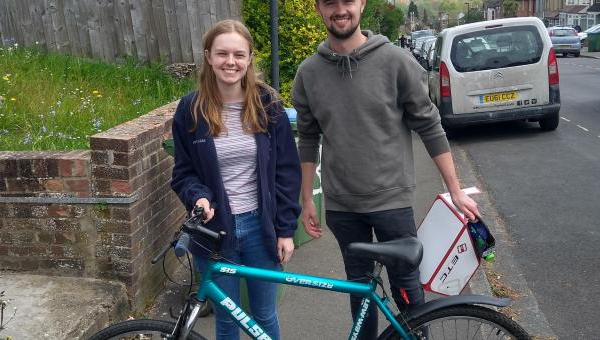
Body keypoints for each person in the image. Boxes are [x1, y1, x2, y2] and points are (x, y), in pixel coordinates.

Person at [291, 1, 480, 339]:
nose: (339, 10)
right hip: (342, 207)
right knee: (359, 291)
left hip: (392, 201)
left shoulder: (395, 61)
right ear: (319, 8)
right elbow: (308, 137)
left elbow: (430, 125)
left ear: (361, 4)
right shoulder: (308, 73)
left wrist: (455, 189)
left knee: (407, 289)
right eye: (329, 3)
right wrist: (307, 199)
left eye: (347, 1)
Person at [170, 19, 301, 340]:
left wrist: (286, 229)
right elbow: (183, 172)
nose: (231, 62)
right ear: (208, 57)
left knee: (264, 315)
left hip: (262, 228)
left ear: (249, 58)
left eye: (239, 55)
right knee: (227, 319)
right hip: (215, 233)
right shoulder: (191, 109)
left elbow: (287, 171)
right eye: (222, 54)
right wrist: (197, 196)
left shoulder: (268, 105)